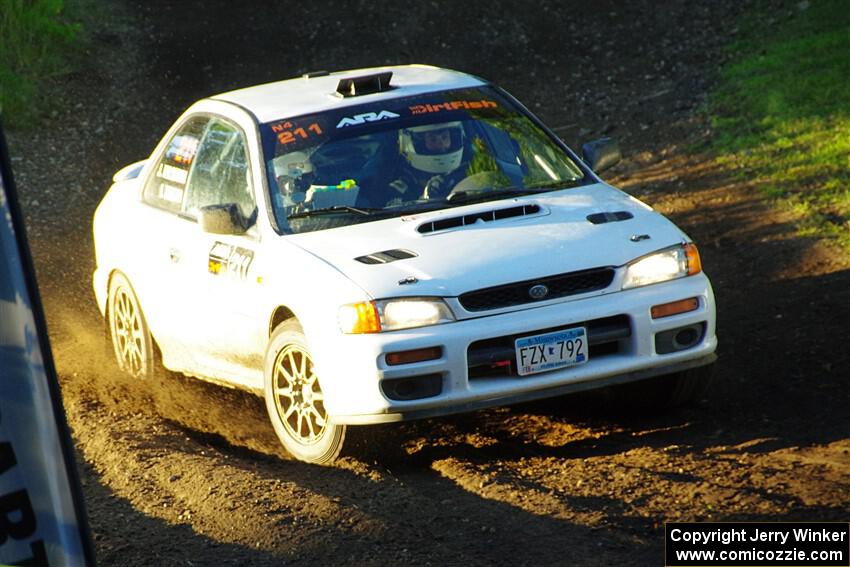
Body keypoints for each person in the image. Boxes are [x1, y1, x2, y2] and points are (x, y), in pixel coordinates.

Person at [385, 121, 467, 205]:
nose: (441, 144)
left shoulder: (464, 172)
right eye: (433, 139)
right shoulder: (399, 189)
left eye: (445, 137)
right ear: (418, 144)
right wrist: (425, 198)